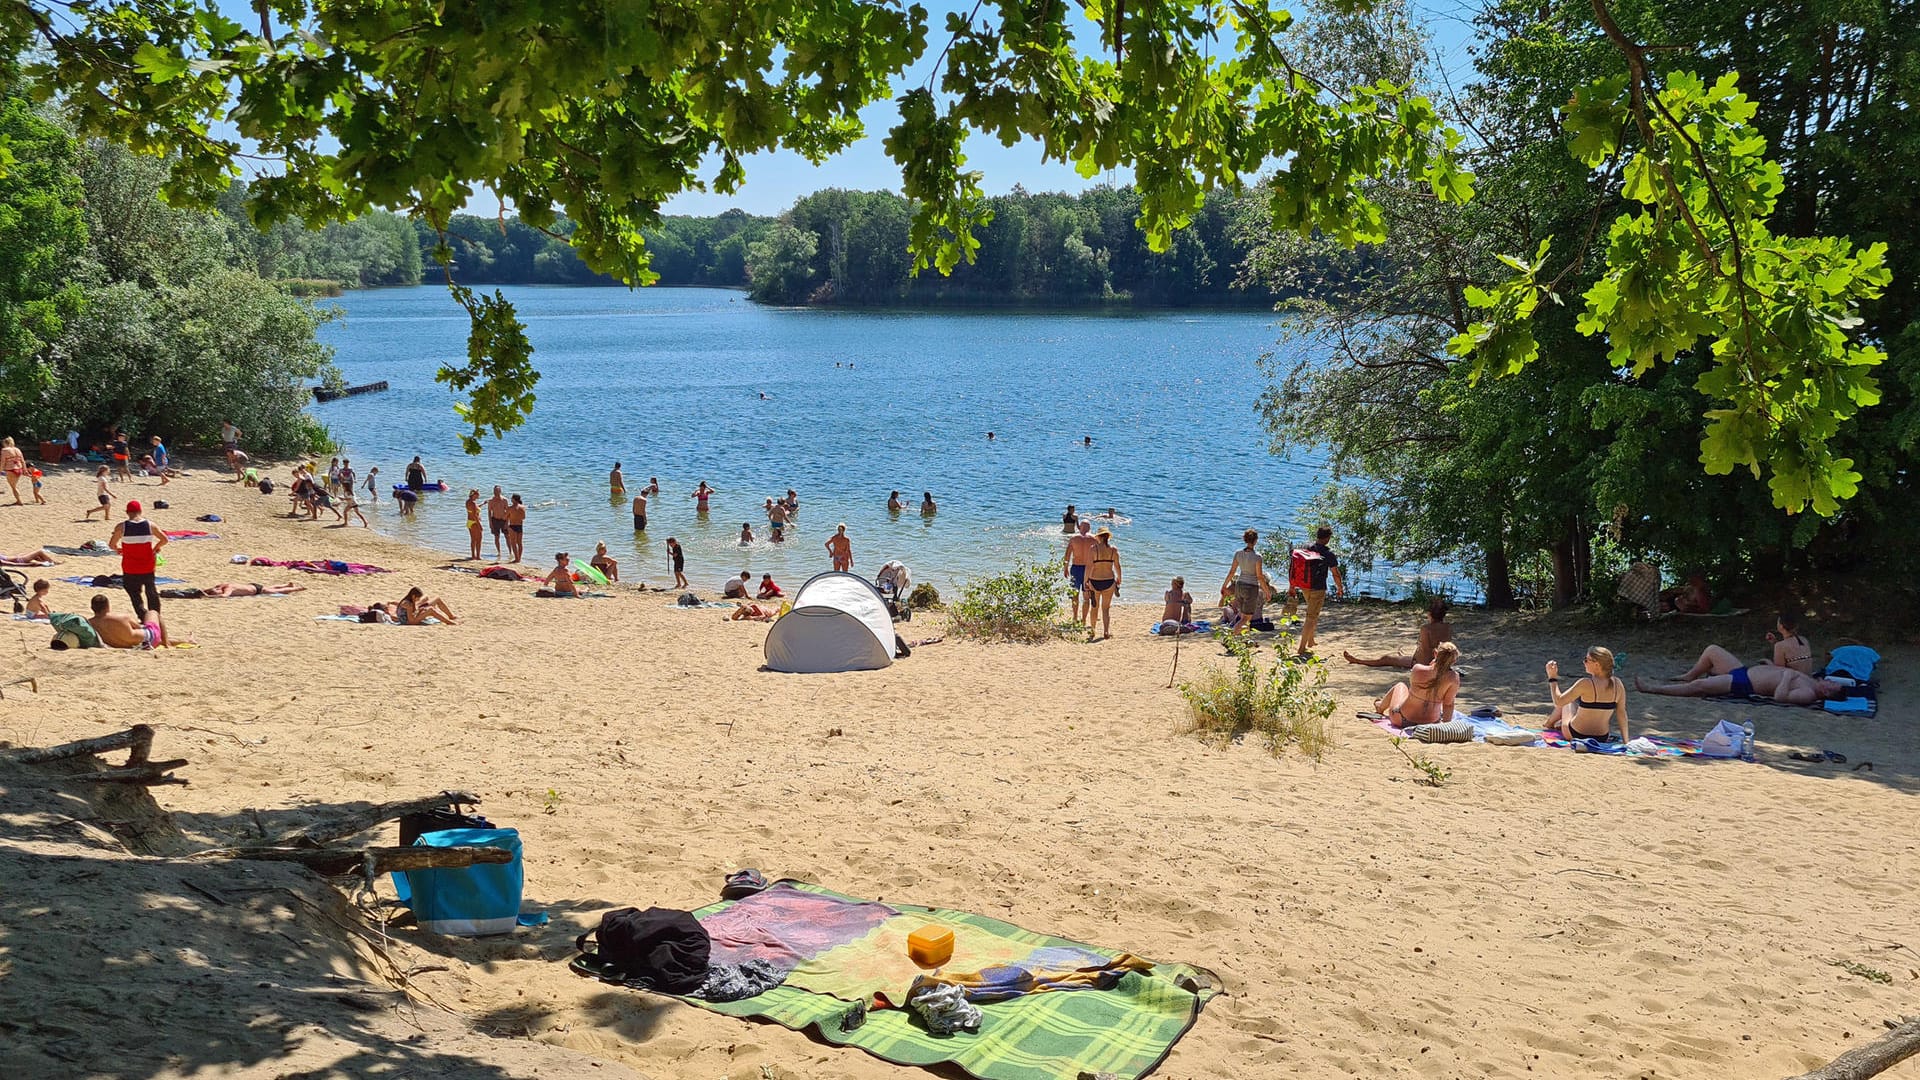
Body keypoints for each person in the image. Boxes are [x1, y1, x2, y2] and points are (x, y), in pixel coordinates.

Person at [1638, 645, 1847, 706]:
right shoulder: (1812, 679)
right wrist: (1772, 667)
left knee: (1701, 686)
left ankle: (1654, 689)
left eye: (1831, 687)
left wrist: (1786, 676)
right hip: (1745, 670)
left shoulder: (1808, 694)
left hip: (1744, 683)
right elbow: (1782, 672)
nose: (1828, 682)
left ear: (1827, 695)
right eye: (1831, 682)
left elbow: (1780, 697)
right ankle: (1687, 675)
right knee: (1712, 650)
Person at [1281, 526, 1345, 658]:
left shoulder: (1306, 547)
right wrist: (1340, 587)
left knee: (1313, 613)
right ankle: (1301, 647)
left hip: (1305, 586)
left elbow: (1295, 567)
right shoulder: (1328, 553)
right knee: (1311, 617)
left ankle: (1311, 640)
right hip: (1318, 588)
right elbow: (1335, 573)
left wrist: (1292, 586)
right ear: (1327, 538)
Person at [1547, 647, 1631, 741]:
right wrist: (1626, 741)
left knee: (1568, 702)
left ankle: (1548, 725)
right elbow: (1621, 713)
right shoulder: (1618, 684)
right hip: (1601, 737)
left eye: (1587, 660)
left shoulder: (1585, 683)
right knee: (1573, 702)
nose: (1584, 662)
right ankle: (1552, 723)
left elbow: (1558, 702)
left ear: (1597, 664)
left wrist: (1552, 678)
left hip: (1575, 734)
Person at [1346, 598, 1453, 668]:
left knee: (1386, 659)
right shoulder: (1447, 627)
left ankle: (1358, 661)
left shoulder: (1426, 628)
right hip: (1443, 663)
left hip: (1425, 664)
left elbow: (1425, 652)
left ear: (1429, 614)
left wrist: (1413, 661)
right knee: (1401, 656)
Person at [1377, 642, 1462, 728]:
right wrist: (1445, 726)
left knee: (1400, 686)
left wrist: (1432, 664)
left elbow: (1414, 691)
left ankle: (1380, 707)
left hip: (1402, 719)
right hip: (1431, 723)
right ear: (1454, 660)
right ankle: (1380, 705)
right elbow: (1448, 704)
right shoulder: (1454, 678)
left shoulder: (1418, 669)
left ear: (1435, 654)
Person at [110, 499, 167, 620]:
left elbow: (111, 545)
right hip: (147, 564)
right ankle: (155, 615)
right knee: (151, 590)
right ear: (140, 511)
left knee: (133, 592)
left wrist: (119, 550)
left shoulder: (121, 527)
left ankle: (142, 614)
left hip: (130, 566)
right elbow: (164, 539)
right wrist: (155, 548)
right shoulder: (150, 525)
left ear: (127, 512)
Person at [1221, 529, 1269, 632]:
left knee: (1243, 615)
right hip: (1251, 588)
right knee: (1246, 618)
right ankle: (1232, 636)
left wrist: (1224, 585)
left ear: (1245, 539)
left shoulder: (1238, 554)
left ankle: (1244, 639)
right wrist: (1266, 592)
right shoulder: (1257, 557)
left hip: (1239, 585)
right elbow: (1260, 577)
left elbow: (1232, 572)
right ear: (1256, 541)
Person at [88, 594, 170, 649]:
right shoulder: (121, 618)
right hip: (149, 640)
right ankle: (167, 644)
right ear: (107, 606)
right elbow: (139, 627)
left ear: (92, 608)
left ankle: (168, 642)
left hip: (127, 646)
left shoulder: (90, 623)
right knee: (152, 612)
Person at [1084, 527, 1121, 641]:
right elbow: (1117, 566)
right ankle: (1106, 631)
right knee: (1106, 609)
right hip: (1109, 581)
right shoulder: (1113, 550)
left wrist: (1086, 581)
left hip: (1095, 581)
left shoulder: (1093, 549)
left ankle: (1092, 631)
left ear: (1099, 537)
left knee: (1094, 607)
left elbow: (1089, 566)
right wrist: (1120, 578)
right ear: (1108, 537)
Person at [1062, 520, 1096, 625]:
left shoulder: (1073, 538)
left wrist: (1065, 567)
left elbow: (1067, 555)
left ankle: (1075, 617)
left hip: (1076, 568)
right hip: (1088, 569)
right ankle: (1084, 620)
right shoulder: (1094, 539)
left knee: (1074, 594)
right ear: (1089, 528)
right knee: (1086, 596)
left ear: (1079, 527)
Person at [3, 436, 31, 504]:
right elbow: (23, 461)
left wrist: (1, 469)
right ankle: (18, 500)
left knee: (13, 487)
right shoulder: (17, 449)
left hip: (10, 469)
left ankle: (19, 501)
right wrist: (25, 470)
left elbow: (3, 462)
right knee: (14, 486)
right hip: (19, 468)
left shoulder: (5, 450)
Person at [486, 486, 509, 559]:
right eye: (495, 491)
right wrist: (490, 523)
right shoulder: (491, 501)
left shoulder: (504, 500)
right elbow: (489, 512)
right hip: (495, 520)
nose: (496, 492)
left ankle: (510, 552)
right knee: (496, 537)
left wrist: (507, 523)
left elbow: (508, 512)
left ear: (500, 491)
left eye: (497, 491)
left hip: (503, 520)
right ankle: (499, 552)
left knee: (507, 537)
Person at [203, 582, 305, 597]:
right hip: (252, 585)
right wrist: (204, 591)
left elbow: (224, 596)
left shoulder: (228, 588)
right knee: (270, 587)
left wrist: (209, 596)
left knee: (275, 591)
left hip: (256, 590)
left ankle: (297, 588)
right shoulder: (223, 585)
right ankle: (286, 584)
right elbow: (210, 589)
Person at [505, 494, 527, 562]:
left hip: (512, 526)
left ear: (514, 499)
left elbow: (505, 516)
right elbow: (523, 517)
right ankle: (519, 558)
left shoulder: (510, 508)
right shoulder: (523, 507)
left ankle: (516, 558)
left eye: (512, 498)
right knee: (519, 543)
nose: (511, 499)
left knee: (513, 543)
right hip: (520, 525)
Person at [464, 490, 484, 559]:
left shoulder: (468, 502)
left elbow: (474, 509)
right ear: (474, 495)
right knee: (479, 539)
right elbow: (475, 515)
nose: (478, 497)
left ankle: (473, 556)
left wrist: (482, 504)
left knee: (473, 540)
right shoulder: (473, 503)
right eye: (477, 496)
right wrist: (480, 525)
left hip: (469, 522)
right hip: (474, 522)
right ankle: (478, 556)